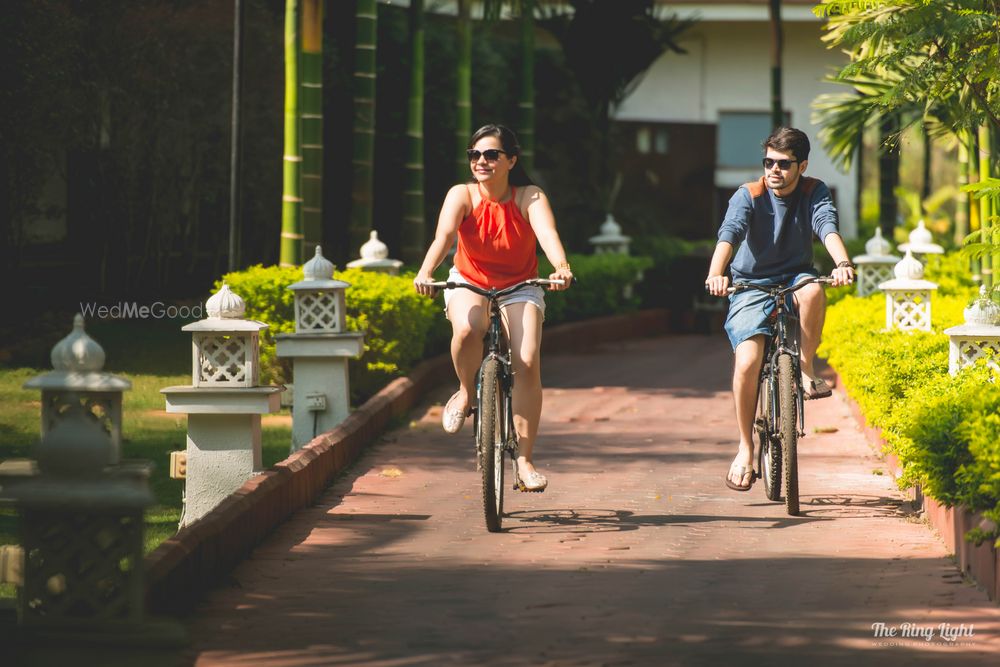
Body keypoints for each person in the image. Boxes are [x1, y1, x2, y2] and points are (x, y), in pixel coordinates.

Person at [413, 124, 573, 492]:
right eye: (474, 155)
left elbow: (547, 234)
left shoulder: (529, 196)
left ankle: (525, 461)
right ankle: (466, 392)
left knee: (528, 359)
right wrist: (425, 270)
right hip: (470, 281)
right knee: (468, 329)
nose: (480, 161)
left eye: (490, 154)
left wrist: (561, 268)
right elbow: (445, 236)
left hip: (520, 286)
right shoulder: (462, 194)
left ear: (511, 160)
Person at [704, 127, 855, 492]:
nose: (774, 170)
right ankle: (744, 447)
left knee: (813, 291)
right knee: (747, 361)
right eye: (768, 162)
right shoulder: (749, 194)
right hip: (749, 285)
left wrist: (844, 263)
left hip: (795, 277)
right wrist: (715, 273)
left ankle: (805, 367)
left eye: (784, 164)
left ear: (801, 166)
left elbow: (826, 227)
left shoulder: (812, 191)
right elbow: (730, 233)